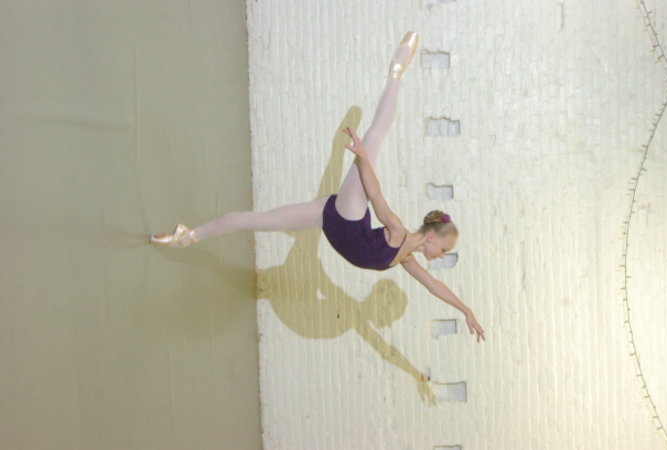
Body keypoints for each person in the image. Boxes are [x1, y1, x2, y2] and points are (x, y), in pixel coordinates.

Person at [150, 32, 486, 342]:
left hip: (327, 217)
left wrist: (466, 310)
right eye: (444, 249)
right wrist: (362, 159)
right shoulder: (397, 232)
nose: (441, 256)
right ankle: (397, 71)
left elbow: (435, 287)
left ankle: (187, 238)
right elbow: (375, 195)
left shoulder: (405, 259)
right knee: (374, 139)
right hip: (349, 216)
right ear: (432, 237)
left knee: (258, 220)